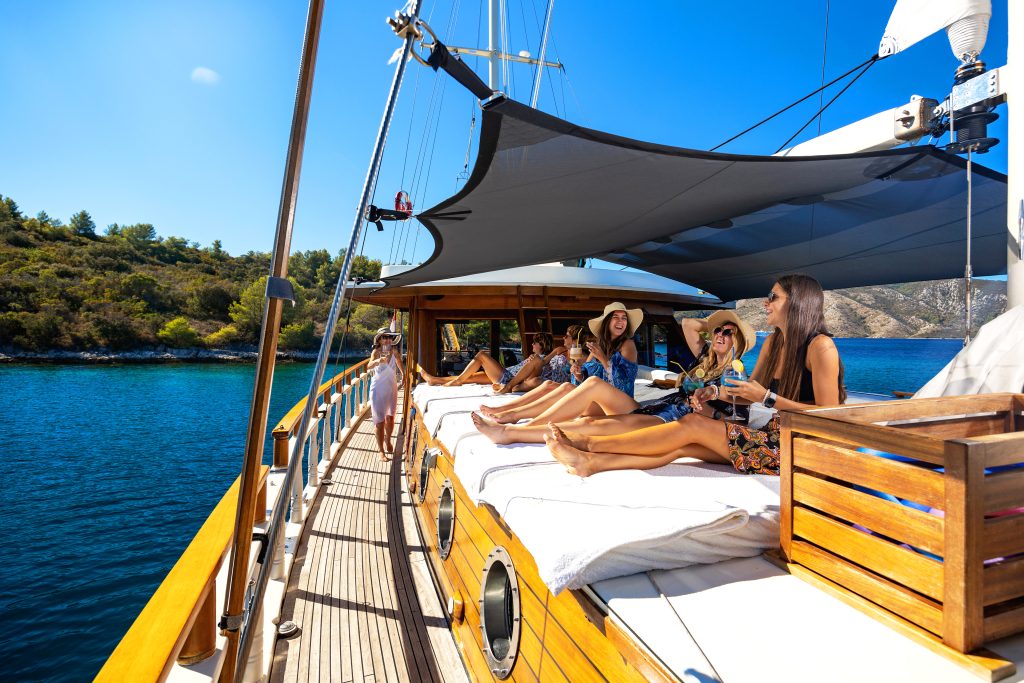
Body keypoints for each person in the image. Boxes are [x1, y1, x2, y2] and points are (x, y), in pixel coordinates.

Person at [544, 274, 845, 477]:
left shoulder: (820, 347)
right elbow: (745, 391)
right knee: (683, 446)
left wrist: (767, 398)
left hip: (800, 452)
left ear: (797, 302)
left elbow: (830, 417)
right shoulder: (775, 343)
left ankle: (589, 444)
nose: (766, 303)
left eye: (774, 297)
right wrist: (713, 393)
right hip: (773, 437)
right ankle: (590, 463)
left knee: (689, 424)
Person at [473, 311, 756, 444]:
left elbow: (733, 416)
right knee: (583, 394)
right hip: (662, 406)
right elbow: (690, 324)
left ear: (738, 341)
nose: (719, 335)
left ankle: (512, 432)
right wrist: (717, 324)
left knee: (590, 407)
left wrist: (730, 328)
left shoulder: (736, 374)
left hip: (675, 419)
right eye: (719, 332)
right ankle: (514, 422)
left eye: (728, 333)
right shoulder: (703, 359)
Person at [473, 303, 642, 427]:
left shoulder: (627, 345)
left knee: (567, 388)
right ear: (607, 323)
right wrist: (578, 374)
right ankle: (507, 411)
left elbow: (623, 384)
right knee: (552, 384)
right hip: (599, 402)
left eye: (624, 318)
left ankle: (528, 425)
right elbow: (585, 381)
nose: (621, 322)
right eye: (616, 317)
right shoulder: (599, 346)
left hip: (618, 407)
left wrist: (604, 359)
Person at [479, 325, 584, 418]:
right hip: (545, 375)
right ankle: (508, 386)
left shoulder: (581, 357)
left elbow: (578, 378)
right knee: (537, 360)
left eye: (566, 336)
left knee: (536, 381)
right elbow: (543, 362)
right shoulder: (560, 350)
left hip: (555, 383)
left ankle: (513, 387)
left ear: (575, 340)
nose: (563, 337)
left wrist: (575, 367)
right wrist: (532, 360)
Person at [418, 332, 554, 392]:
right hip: (507, 374)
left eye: (535, 343)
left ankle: (457, 381)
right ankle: (434, 380)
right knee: (469, 377)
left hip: (507, 378)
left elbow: (532, 377)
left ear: (542, 345)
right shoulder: (534, 358)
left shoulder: (540, 359)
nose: (532, 345)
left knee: (482, 355)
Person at [368, 327, 403, 461]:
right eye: (384, 337)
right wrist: (378, 361)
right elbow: (369, 366)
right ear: (380, 340)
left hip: (391, 387)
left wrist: (404, 374)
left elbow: (399, 361)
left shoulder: (394, 351)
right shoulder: (376, 351)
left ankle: (388, 440)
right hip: (378, 389)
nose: (388, 340)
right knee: (379, 421)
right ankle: (381, 451)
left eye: (389, 337)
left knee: (390, 417)